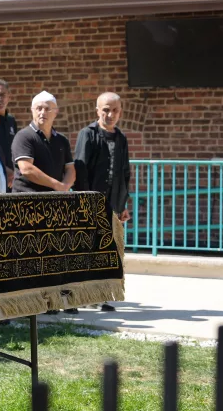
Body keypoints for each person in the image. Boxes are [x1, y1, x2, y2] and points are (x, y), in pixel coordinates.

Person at [11, 91, 76, 315]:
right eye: (38, 107)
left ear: (55, 112)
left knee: (52, 254)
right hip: (28, 204)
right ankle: (31, 304)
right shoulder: (24, 137)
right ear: (32, 111)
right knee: (31, 255)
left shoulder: (61, 140)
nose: (42, 112)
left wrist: (65, 186)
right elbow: (26, 169)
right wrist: (57, 186)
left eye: (47, 108)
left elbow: (70, 169)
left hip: (54, 205)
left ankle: (51, 300)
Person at [74, 92, 131, 312]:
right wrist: (85, 204)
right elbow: (81, 171)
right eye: (106, 109)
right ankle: (83, 296)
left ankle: (100, 296)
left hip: (113, 203)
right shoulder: (87, 134)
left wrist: (123, 204)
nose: (110, 114)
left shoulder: (121, 138)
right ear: (97, 110)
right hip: (90, 203)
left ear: (120, 112)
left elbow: (125, 172)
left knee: (107, 251)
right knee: (88, 250)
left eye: (115, 110)